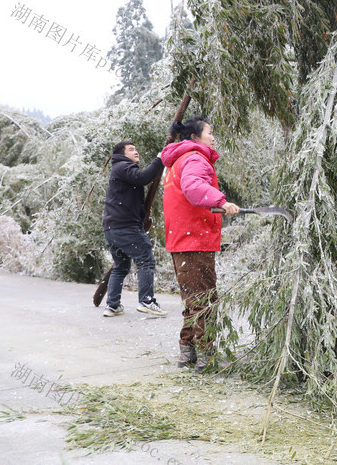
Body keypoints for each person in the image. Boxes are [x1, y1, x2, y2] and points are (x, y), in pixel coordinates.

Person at [160, 117, 240, 369]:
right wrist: (221, 202)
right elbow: (194, 188)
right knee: (204, 300)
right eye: (209, 132)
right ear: (194, 138)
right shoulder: (194, 158)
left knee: (193, 300)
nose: (213, 137)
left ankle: (188, 352)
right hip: (195, 240)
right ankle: (206, 356)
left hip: (182, 240)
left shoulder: (177, 161)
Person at [101, 139, 168, 318]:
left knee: (121, 266)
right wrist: (159, 159)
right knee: (146, 258)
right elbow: (143, 178)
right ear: (122, 154)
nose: (135, 152)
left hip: (112, 228)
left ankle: (112, 305)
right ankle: (147, 301)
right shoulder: (123, 166)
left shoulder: (120, 169)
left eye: (136, 149)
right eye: (131, 150)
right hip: (124, 226)